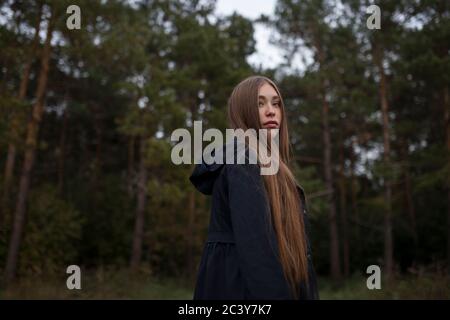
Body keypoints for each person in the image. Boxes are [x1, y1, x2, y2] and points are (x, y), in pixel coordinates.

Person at [189, 75, 319, 300]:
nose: (271, 111)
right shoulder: (243, 161)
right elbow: (257, 253)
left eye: (276, 103)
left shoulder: (275, 169)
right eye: (260, 103)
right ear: (243, 111)